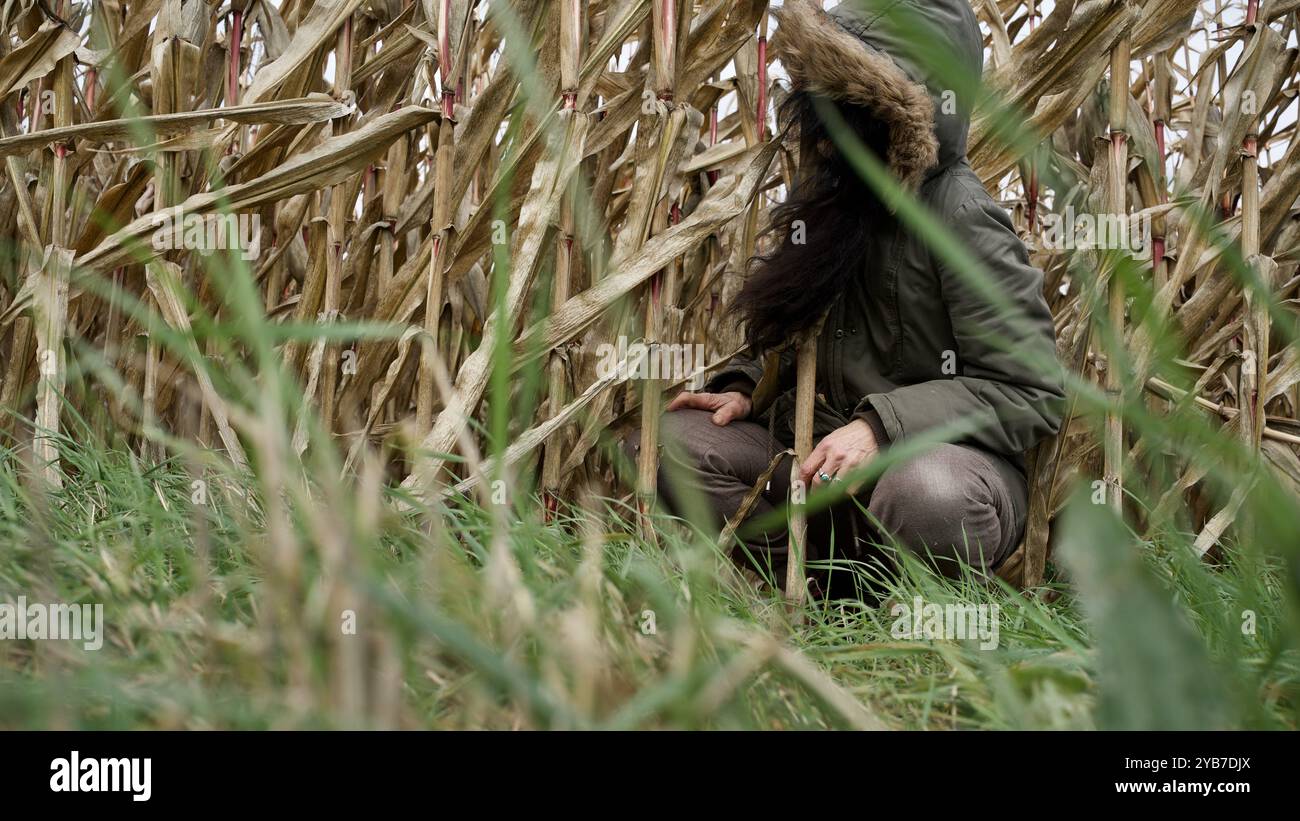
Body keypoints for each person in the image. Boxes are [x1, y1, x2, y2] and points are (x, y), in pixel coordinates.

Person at [633, 0, 1065, 595]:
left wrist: (884, 428)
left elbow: (1030, 392)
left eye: (848, 100)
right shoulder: (833, 199)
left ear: (899, 110)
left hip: (942, 466)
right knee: (669, 444)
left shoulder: (962, 217)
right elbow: (802, 336)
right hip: (817, 458)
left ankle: (897, 594)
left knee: (925, 495)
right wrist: (742, 387)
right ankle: (819, 587)